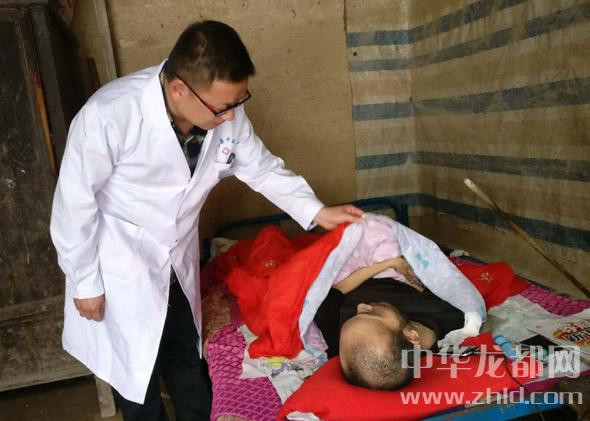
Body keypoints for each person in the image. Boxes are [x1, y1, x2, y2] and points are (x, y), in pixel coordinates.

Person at [50, 20, 363, 421]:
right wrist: (84, 281)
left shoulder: (224, 113)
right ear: (179, 88)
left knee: (186, 355)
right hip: (121, 265)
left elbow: (261, 168)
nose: (231, 116)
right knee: (137, 379)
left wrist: (317, 211)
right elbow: (74, 205)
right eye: (222, 107)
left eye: (238, 101)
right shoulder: (108, 115)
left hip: (177, 259)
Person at [314, 257, 467, 390]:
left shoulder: (342, 345)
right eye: (372, 314)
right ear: (412, 335)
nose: (361, 306)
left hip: (350, 274)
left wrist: (383, 265)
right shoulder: (448, 314)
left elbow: (329, 294)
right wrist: (390, 263)